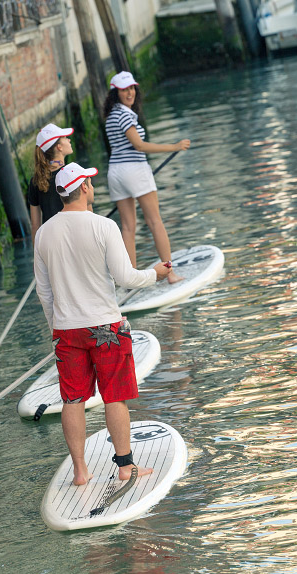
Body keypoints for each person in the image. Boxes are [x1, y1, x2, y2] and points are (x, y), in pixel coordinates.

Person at [34, 162, 171, 485]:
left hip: (66, 330)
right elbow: (126, 279)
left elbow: (44, 291)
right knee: (114, 397)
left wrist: (57, 325)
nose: (93, 188)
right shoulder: (104, 226)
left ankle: (81, 471)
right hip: (106, 328)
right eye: (91, 183)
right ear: (83, 188)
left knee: (72, 399)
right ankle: (125, 467)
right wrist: (156, 273)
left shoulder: (43, 234)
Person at [103, 71, 190, 284]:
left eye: (132, 88)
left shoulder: (111, 116)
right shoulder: (124, 115)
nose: (130, 92)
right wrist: (174, 146)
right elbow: (139, 145)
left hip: (115, 173)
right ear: (116, 93)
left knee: (127, 228)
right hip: (134, 170)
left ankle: (129, 279)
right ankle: (170, 274)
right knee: (155, 222)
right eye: (125, 89)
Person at [28, 123, 74, 240]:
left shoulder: (35, 181)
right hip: (73, 238)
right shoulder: (73, 174)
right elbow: (87, 212)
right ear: (59, 147)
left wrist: (37, 257)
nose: (69, 140)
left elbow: (35, 226)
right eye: (65, 138)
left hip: (51, 242)